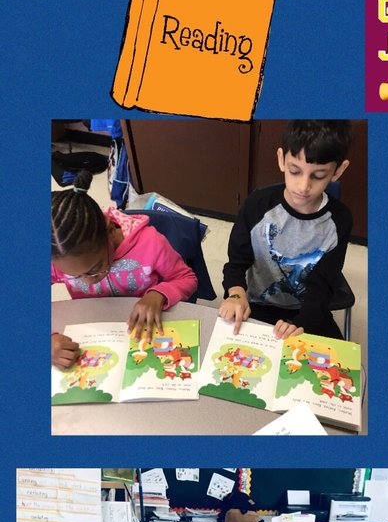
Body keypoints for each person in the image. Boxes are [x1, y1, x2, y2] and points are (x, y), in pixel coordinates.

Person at [219, 119, 353, 341]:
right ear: (281, 159)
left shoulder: (339, 220)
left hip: (307, 310)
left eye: (318, 176)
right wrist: (235, 294)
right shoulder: (257, 205)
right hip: (257, 304)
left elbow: (323, 283)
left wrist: (301, 323)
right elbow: (235, 263)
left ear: (338, 171)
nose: (303, 186)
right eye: (295, 171)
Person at [51, 169, 198, 369]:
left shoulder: (150, 243)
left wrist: (158, 294)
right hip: (95, 331)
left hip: (146, 329)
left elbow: (186, 278)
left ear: (110, 230)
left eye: (96, 268)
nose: (87, 281)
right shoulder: (54, 255)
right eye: (74, 276)